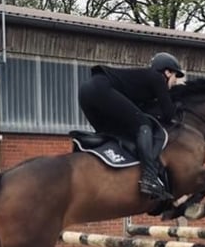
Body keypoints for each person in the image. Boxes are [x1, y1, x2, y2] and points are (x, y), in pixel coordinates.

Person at [77, 52, 185, 201]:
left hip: (85, 92)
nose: (175, 82)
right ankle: (149, 177)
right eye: (175, 77)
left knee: (113, 132)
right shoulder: (157, 78)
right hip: (100, 88)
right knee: (143, 124)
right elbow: (168, 114)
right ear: (167, 72)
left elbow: (136, 109)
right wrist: (179, 104)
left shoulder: (143, 81)